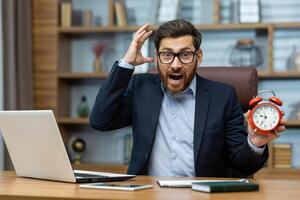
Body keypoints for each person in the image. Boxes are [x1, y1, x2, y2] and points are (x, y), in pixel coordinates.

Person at [89, 19, 285, 177]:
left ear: (198, 57)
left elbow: (243, 166)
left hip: (202, 195)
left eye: (185, 55)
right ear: (157, 57)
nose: (175, 65)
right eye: (167, 54)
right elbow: (100, 120)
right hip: (147, 194)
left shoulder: (223, 96)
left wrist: (255, 143)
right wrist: (127, 64)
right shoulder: (141, 88)